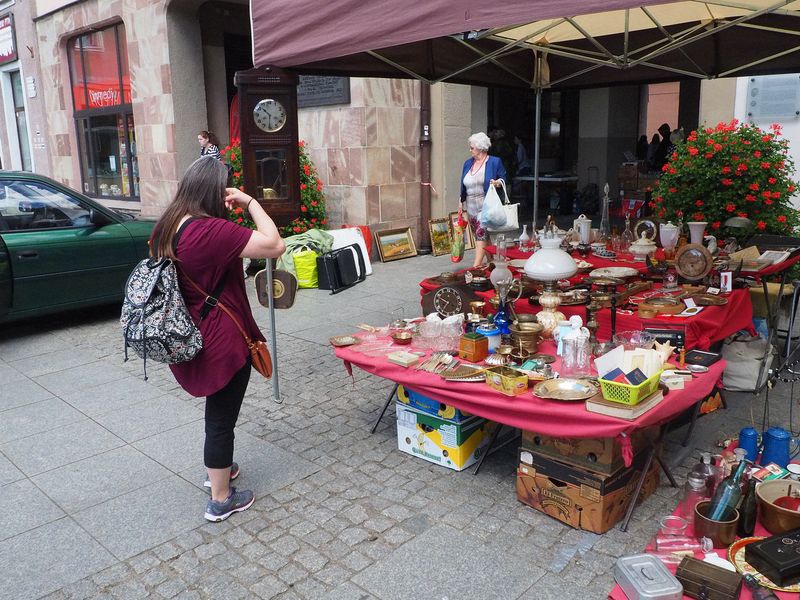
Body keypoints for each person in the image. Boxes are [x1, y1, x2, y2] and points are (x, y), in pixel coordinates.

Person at [149, 157, 285, 522]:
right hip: (221, 339)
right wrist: (251, 203)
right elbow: (275, 245)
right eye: (225, 187)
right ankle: (221, 498)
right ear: (211, 191)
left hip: (191, 328)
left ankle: (219, 469)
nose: (229, 194)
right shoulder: (209, 231)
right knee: (221, 418)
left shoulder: (170, 223)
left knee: (218, 415)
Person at [460, 132, 507, 269]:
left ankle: (475, 267)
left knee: (481, 235)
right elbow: (462, 183)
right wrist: (460, 201)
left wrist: (497, 182)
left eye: (472, 148)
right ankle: (492, 260)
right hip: (471, 206)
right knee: (482, 235)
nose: (470, 150)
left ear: (480, 148)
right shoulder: (468, 163)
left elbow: (503, 177)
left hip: (485, 204)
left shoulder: (494, 161)